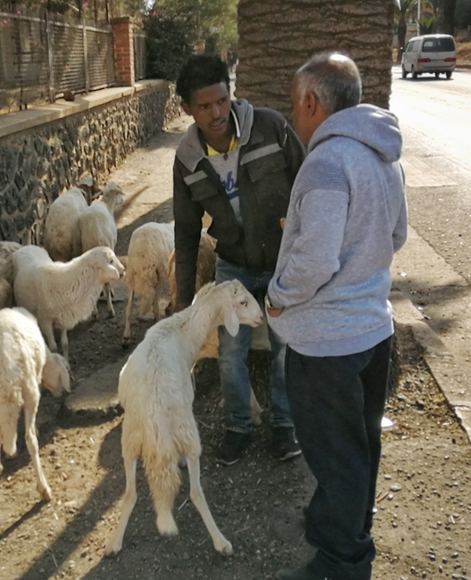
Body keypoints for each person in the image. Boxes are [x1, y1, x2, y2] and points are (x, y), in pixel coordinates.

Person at [265, 53, 408, 580]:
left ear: (310, 102)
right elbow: (396, 236)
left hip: (327, 343)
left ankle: (341, 563)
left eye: (294, 102)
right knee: (360, 447)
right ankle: (346, 530)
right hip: (373, 329)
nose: (293, 114)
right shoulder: (383, 154)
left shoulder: (326, 162)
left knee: (336, 455)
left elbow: (316, 259)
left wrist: (277, 296)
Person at [172, 54, 306, 465]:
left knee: (288, 346)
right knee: (231, 352)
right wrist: (182, 302)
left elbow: (307, 182)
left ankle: (284, 426)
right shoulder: (187, 160)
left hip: (284, 260)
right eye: (204, 106)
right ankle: (237, 426)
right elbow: (186, 231)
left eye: (221, 101)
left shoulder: (270, 127)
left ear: (231, 94)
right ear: (187, 109)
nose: (216, 114)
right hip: (233, 268)